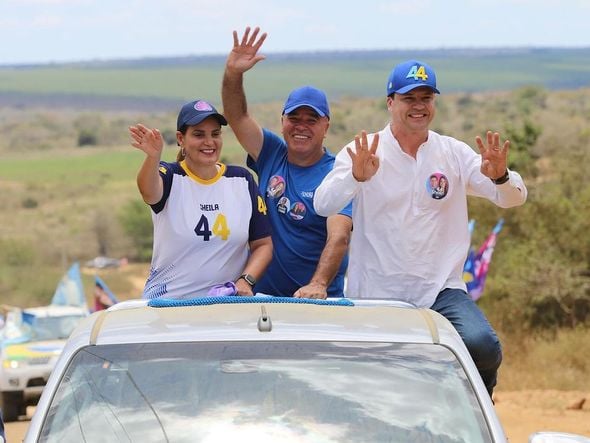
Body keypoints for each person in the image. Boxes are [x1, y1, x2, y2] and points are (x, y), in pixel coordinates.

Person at [314, 59, 528, 396]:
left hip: (439, 290)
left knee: (482, 347)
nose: (418, 106)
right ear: (390, 102)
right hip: (377, 292)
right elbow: (323, 204)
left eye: (426, 98)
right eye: (409, 98)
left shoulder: (453, 153)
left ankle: (471, 415)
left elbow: (512, 198)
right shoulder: (365, 151)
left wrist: (500, 176)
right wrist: (356, 177)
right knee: (377, 379)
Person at [222, 27, 352, 299]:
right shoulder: (271, 152)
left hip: (316, 301)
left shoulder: (337, 173)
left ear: (326, 125)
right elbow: (237, 117)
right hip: (263, 299)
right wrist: (233, 74)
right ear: (282, 122)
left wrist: (317, 284)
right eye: (294, 118)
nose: (301, 127)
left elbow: (338, 237)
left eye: (311, 120)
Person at [129, 99, 272, 299]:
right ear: (181, 138)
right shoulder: (170, 175)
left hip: (224, 308)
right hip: (169, 307)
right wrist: (153, 157)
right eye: (198, 134)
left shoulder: (242, 179)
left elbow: (263, 245)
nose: (209, 142)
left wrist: (245, 281)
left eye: (215, 134)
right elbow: (149, 192)